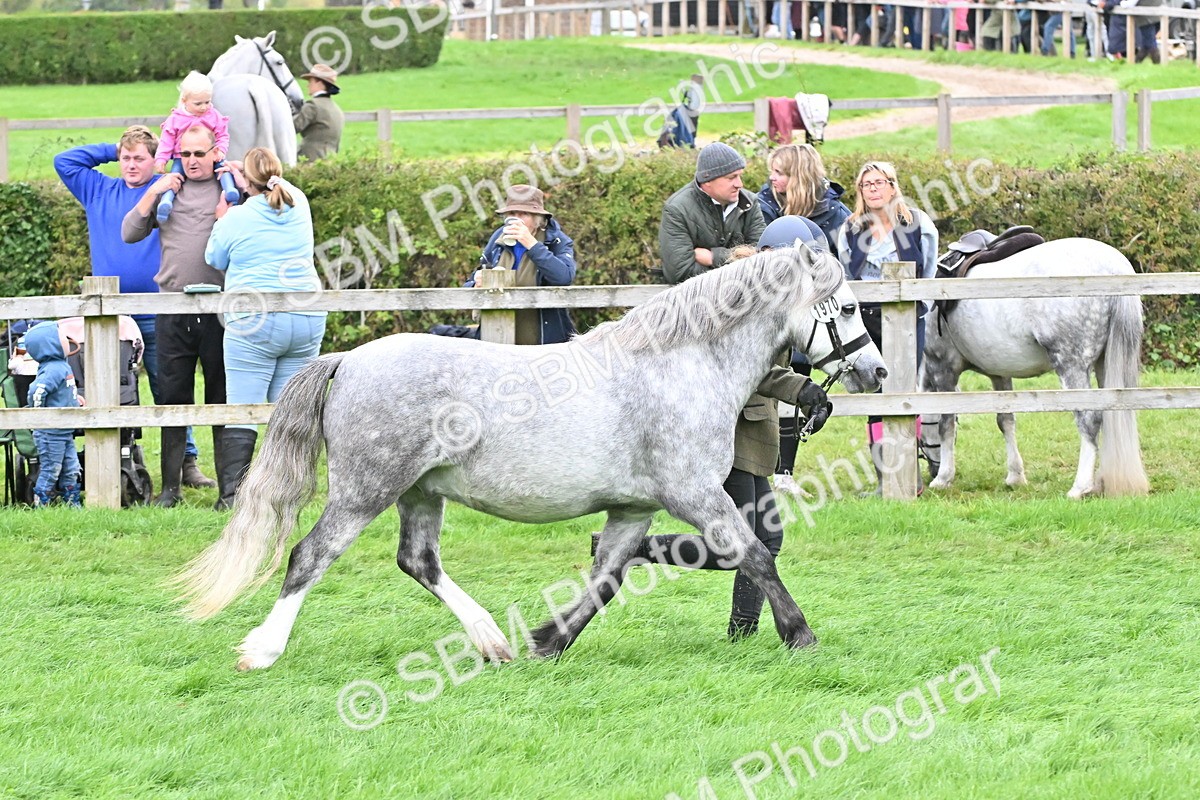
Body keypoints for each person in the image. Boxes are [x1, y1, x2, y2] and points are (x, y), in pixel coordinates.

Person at [600, 222, 832, 639]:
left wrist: (808, 389)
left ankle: (741, 631)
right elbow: (749, 368)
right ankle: (638, 551)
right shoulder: (741, 302)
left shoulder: (769, 299)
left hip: (753, 428)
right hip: (729, 430)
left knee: (761, 537)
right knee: (744, 540)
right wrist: (800, 387)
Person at [53, 126, 217, 491]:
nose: (130, 164)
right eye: (125, 158)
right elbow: (64, 161)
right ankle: (121, 459)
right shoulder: (97, 189)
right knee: (111, 387)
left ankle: (186, 463)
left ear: (154, 161)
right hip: (109, 313)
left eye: (139, 158)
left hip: (158, 306)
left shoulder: (166, 188)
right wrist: (114, 148)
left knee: (169, 386)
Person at [122, 125, 240, 509]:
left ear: (213, 153)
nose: (191, 161)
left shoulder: (231, 191)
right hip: (172, 308)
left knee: (222, 400)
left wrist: (241, 179)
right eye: (185, 154)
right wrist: (153, 191)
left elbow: (280, 201)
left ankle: (230, 491)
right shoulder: (168, 190)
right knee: (173, 400)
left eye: (199, 154)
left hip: (221, 309)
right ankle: (169, 490)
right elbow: (129, 233)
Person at [204, 147, 327, 508]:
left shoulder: (236, 218)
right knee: (289, 408)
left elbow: (214, 258)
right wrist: (249, 174)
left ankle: (233, 496)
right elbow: (277, 186)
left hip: (253, 318)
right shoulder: (298, 201)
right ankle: (285, 491)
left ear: (246, 181)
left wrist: (221, 218)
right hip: (306, 314)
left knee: (243, 406)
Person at [835, 161, 937, 495]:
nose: (874, 188)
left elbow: (929, 269)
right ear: (860, 191)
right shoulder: (850, 229)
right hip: (867, 323)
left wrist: (920, 306)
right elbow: (847, 278)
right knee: (876, 394)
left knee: (905, 390)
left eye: (881, 182)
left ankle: (910, 473)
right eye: (867, 184)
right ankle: (883, 476)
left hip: (908, 320)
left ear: (893, 187)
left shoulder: (917, 224)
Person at [466, 184, 576, 345]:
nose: (516, 219)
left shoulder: (557, 240)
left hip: (544, 345)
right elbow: (472, 280)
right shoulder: (498, 238)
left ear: (538, 219)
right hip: (496, 341)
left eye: (523, 214)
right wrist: (476, 282)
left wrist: (531, 243)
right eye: (511, 213)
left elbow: (563, 277)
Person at [659, 142, 765, 285]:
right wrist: (740, 264)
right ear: (707, 180)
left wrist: (713, 257)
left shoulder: (749, 202)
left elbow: (762, 262)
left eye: (740, 176)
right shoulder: (677, 209)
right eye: (731, 177)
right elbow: (680, 273)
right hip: (694, 303)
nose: (739, 184)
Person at [154, 71, 236, 221]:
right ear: (185, 101)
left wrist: (221, 150)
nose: (204, 107)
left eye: (207, 102)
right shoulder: (176, 118)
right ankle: (166, 202)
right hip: (182, 157)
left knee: (223, 168)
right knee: (174, 176)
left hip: (210, 154)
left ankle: (230, 191)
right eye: (198, 103)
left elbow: (223, 134)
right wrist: (161, 159)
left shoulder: (213, 115)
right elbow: (167, 140)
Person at [24, 321, 85, 507]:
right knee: (51, 469)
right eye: (62, 338)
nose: (68, 340)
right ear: (51, 345)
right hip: (51, 433)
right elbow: (37, 390)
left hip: (64, 431)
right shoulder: (54, 368)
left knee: (72, 468)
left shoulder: (61, 365)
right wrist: (39, 414)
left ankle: (72, 502)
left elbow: (61, 392)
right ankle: (41, 503)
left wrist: (76, 400)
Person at [756, 143, 851, 249]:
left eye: (779, 172)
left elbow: (848, 260)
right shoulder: (762, 206)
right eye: (772, 171)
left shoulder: (837, 215)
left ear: (799, 177)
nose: (772, 177)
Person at [294, 63, 345, 162]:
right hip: (330, 162)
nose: (308, 85)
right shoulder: (337, 109)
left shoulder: (313, 105)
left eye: (311, 81)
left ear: (319, 83)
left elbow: (293, 127)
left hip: (309, 162)